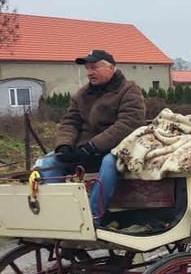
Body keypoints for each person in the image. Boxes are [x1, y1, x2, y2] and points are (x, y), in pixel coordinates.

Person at [34, 50, 146, 222]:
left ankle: (94, 218)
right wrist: (64, 146)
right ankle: (62, 217)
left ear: (111, 68)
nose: (89, 73)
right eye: (87, 68)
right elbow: (70, 122)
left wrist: (93, 146)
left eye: (94, 67)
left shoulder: (130, 91)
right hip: (85, 150)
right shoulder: (82, 94)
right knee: (48, 162)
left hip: (119, 148)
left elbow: (128, 124)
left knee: (109, 162)